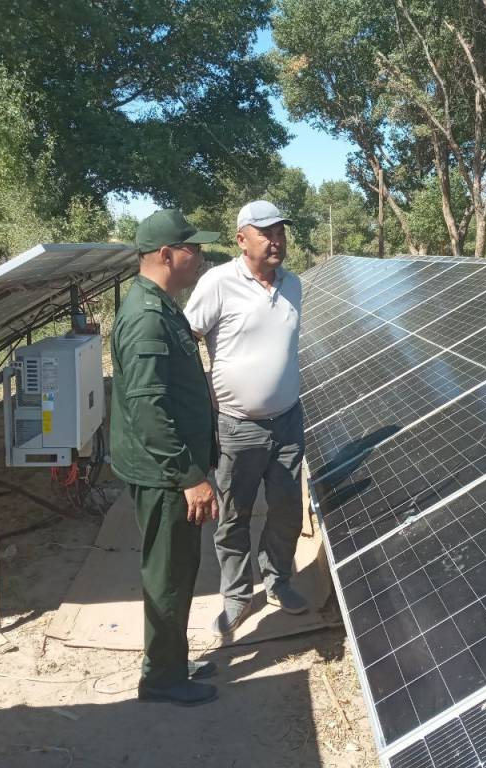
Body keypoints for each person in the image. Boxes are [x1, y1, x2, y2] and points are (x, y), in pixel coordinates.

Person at [110, 209, 221, 706]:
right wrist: (189, 476)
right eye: (192, 248)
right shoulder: (147, 317)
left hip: (170, 470)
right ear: (165, 254)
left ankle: (172, 659)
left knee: (178, 569)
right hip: (165, 474)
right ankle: (161, 680)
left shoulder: (161, 305)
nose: (200, 256)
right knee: (168, 575)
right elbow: (147, 406)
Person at [184, 200, 307, 637]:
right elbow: (186, 340)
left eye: (280, 232)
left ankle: (278, 580)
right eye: (266, 233)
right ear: (242, 239)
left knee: (287, 509)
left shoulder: (294, 285)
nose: (276, 241)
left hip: (288, 422)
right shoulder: (218, 283)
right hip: (237, 426)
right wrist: (200, 404)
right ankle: (236, 595)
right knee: (234, 515)